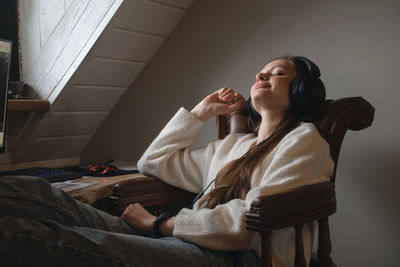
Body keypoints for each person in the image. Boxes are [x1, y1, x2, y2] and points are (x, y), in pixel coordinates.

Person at [0, 56, 333, 267]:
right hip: (183, 239)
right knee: (37, 192)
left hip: (236, 257)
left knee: (30, 237)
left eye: (277, 73)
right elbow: (154, 161)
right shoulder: (232, 146)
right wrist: (202, 112)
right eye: (260, 73)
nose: (262, 77)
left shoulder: (304, 141)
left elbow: (244, 227)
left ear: (303, 91)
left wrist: (158, 224)